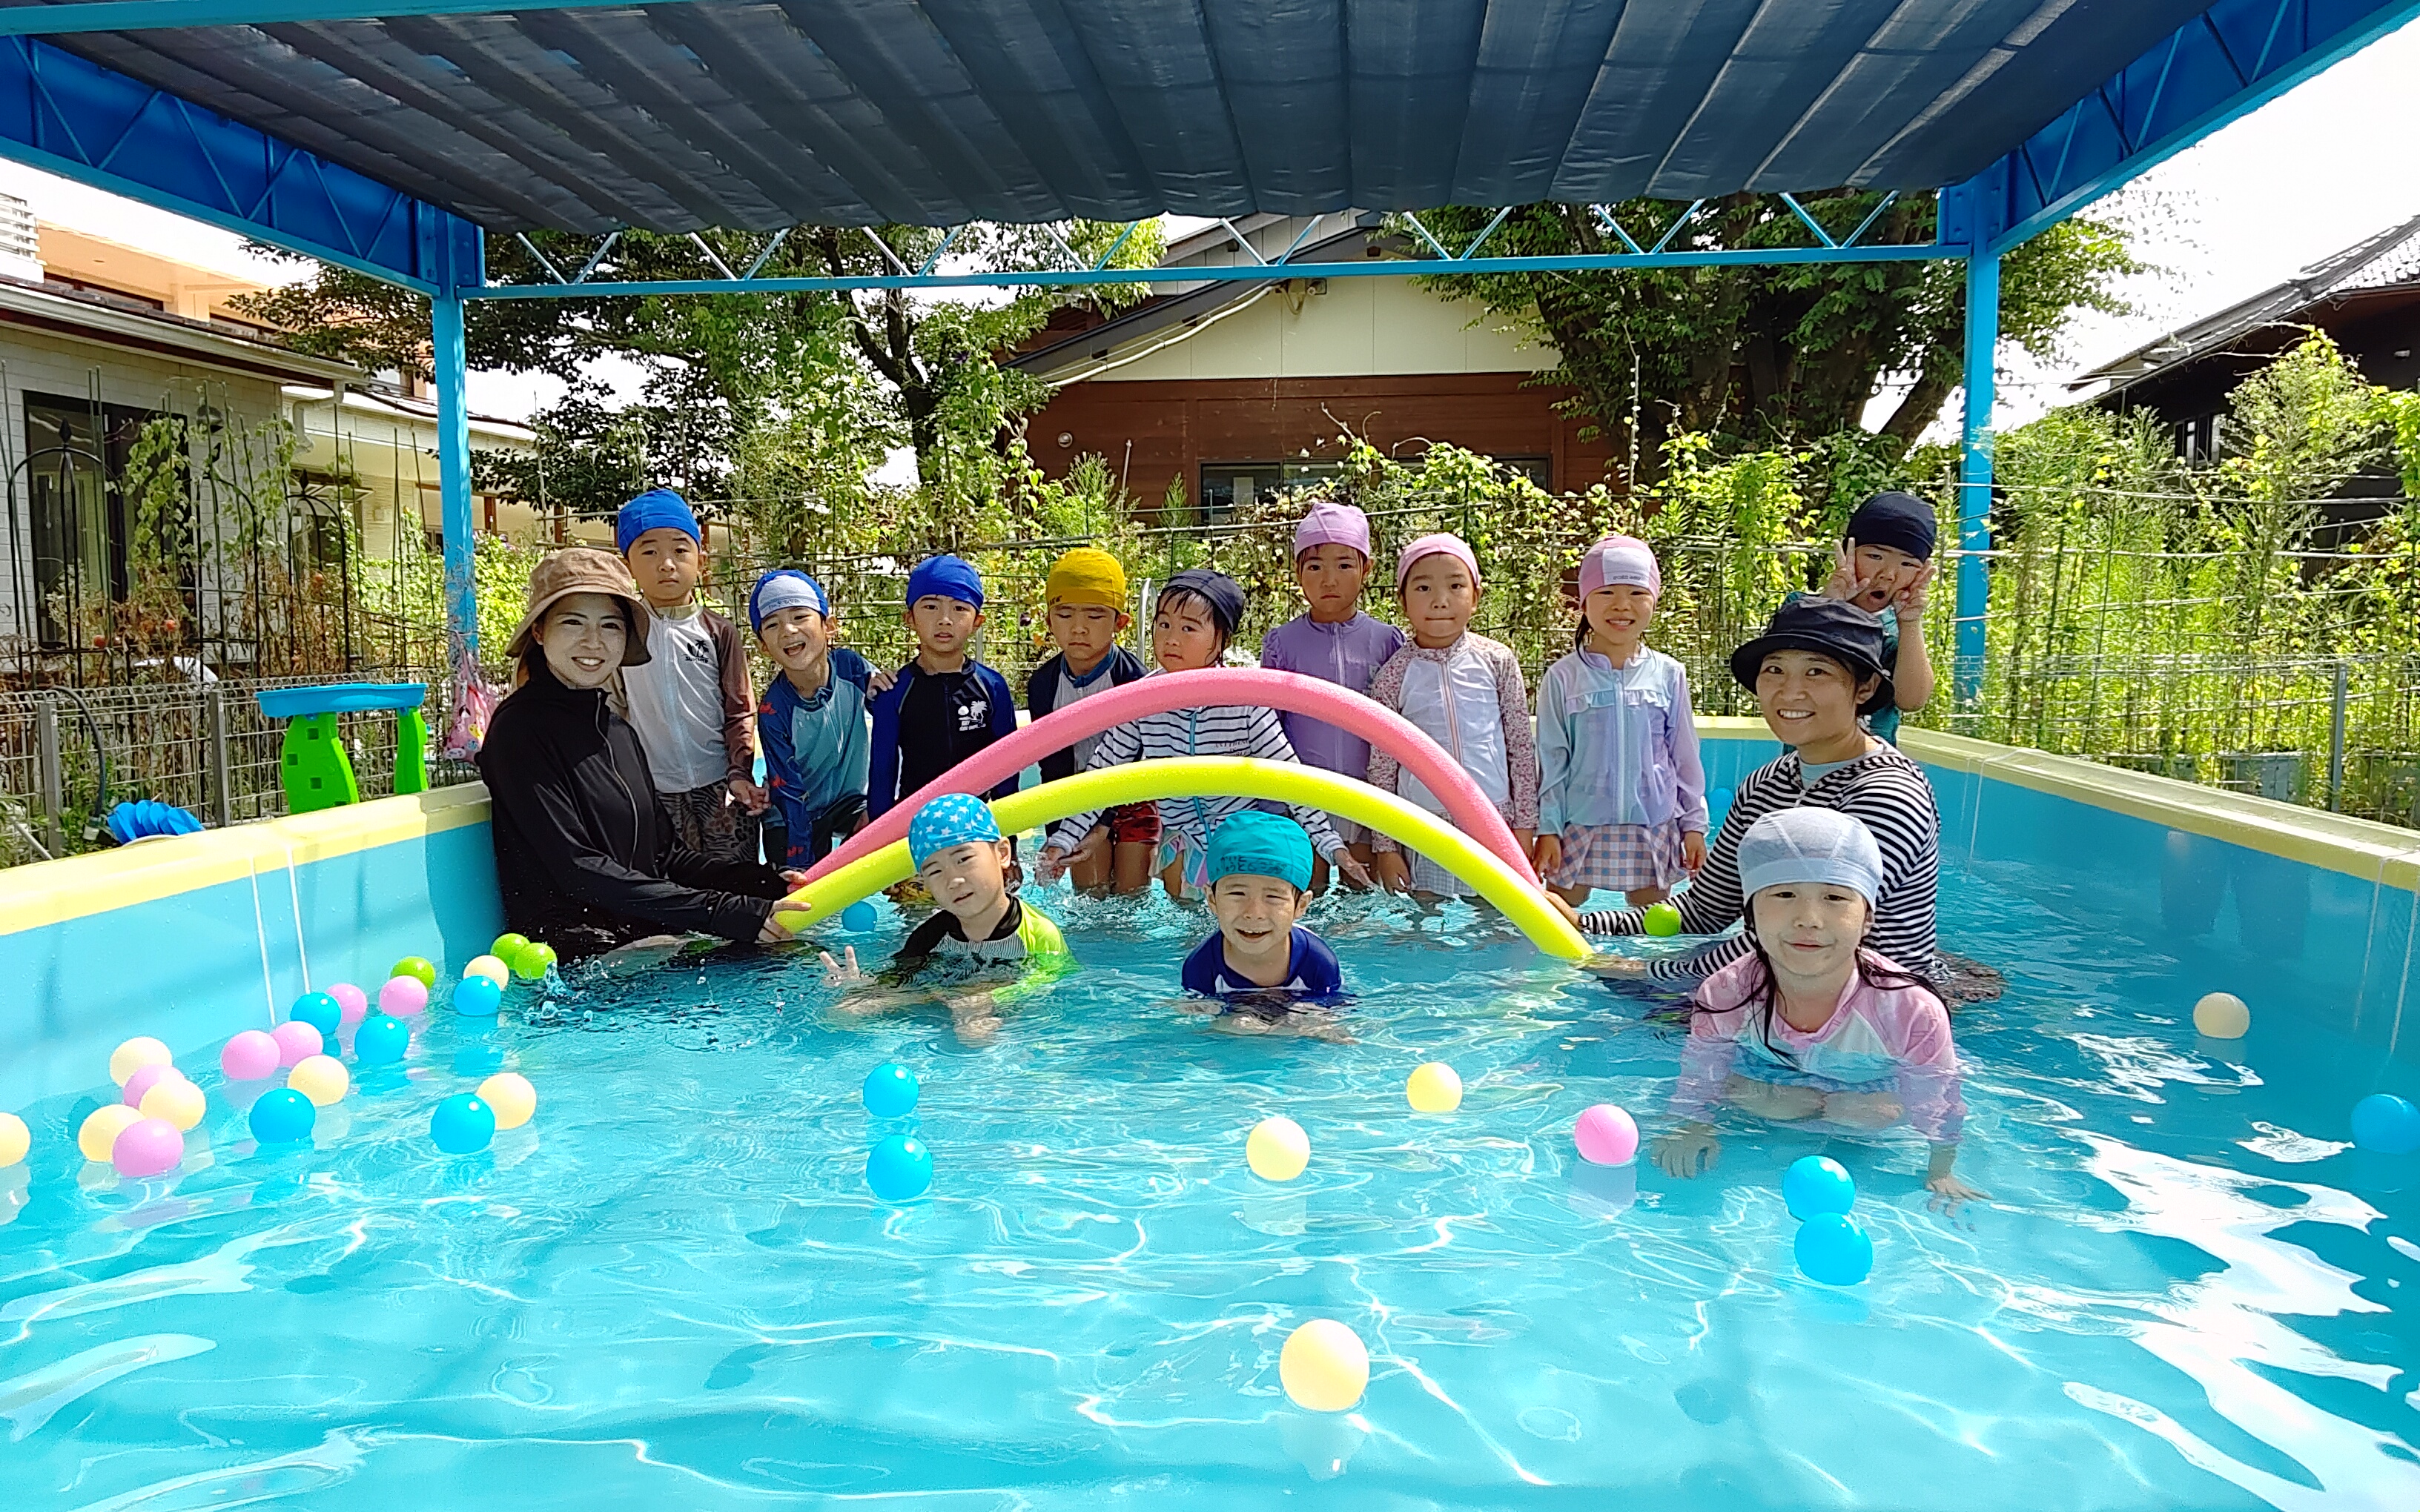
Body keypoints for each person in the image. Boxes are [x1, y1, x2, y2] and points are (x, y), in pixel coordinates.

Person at [1557, 597, 1970, 994]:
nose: (1789, 692)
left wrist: (1649, 972)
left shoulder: (1888, 796)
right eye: (1775, 670)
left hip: (1875, 1003)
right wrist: (1585, 922)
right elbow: (1705, 910)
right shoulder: (1766, 785)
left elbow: (1804, 933)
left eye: (1817, 672)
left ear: (1865, 688)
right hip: (1782, 987)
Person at [1652, 808, 1981, 1209]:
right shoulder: (1728, 992)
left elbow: (1937, 1092)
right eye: (1784, 895)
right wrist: (1692, 1124)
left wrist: (1941, 1170)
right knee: (1774, 1103)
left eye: (1835, 898)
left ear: (1867, 919)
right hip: (1770, 1078)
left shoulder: (1908, 1009)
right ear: (1749, 914)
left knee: (1866, 1114)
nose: (1809, 920)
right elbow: (1702, 1066)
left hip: (1868, 1090)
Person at [477, 548, 796, 958]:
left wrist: (763, 884)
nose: (594, 641)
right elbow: (577, 870)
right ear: (539, 632)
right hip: (578, 960)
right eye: (573, 622)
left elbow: (667, 857)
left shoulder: (618, 731)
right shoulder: (519, 730)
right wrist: (722, 912)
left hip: (641, 939)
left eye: (610, 625)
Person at [1036, 567, 1370, 898]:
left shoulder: (1244, 702)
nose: (1171, 639)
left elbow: (1292, 779)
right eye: (1164, 624)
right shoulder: (1143, 699)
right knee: (1182, 888)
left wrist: (1332, 846)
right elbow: (1101, 774)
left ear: (1221, 639)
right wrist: (1063, 840)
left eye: (1189, 628)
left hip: (1238, 841)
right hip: (1182, 844)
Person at [1533, 536, 1707, 908]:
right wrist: (1548, 827)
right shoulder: (1563, 677)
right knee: (1558, 915)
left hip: (1652, 823)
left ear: (1655, 600)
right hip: (1579, 823)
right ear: (1584, 601)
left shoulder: (1668, 674)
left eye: (1637, 593)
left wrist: (1693, 825)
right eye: (1607, 592)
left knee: (1649, 922)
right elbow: (1551, 760)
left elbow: (1684, 757)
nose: (1622, 605)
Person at [1364, 533, 1538, 898]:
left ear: (1476, 597)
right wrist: (1386, 846)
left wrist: (1525, 826)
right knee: (1426, 916)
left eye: (1456, 586)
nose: (1440, 600)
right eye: (1423, 588)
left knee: (1497, 910)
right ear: (1402, 601)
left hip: (1493, 820)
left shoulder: (1497, 661)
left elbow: (1521, 748)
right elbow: (1382, 767)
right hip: (1425, 824)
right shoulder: (1395, 674)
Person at [820, 794, 1072, 1044]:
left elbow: (1053, 978)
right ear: (925, 883)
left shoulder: (1038, 933)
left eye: (964, 859)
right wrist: (863, 988)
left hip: (1017, 1024)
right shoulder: (930, 936)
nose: (953, 880)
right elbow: (901, 981)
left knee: (975, 1036)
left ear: (1003, 854)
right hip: (943, 1008)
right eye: (936, 871)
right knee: (843, 1015)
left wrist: (993, 998)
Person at [1260, 500, 1406, 892]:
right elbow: (1268, 726)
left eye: (1344, 565)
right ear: (1297, 573)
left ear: (1366, 569)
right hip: (1303, 794)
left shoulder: (1386, 641)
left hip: (1367, 794)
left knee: (1364, 895)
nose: (1329, 580)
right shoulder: (1282, 643)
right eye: (1315, 567)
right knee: (1308, 891)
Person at [614, 488, 763, 863]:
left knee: (736, 879)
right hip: (655, 788)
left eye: (680, 550)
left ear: (701, 561)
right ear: (627, 565)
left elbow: (740, 709)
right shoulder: (623, 633)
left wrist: (739, 772)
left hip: (722, 786)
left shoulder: (718, 631)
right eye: (649, 552)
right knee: (675, 879)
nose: (667, 564)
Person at [1026, 547, 1152, 892]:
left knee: (1131, 894)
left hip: (1133, 795)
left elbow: (1136, 760)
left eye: (1095, 616)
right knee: (1090, 894)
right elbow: (1051, 766)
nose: (1079, 628)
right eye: (1065, 614)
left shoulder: (1133, 679)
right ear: (1049, 621)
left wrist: (1102, 823)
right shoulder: (1043, 685)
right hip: (1077, 795)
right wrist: (1057, 836)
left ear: (1120, 623)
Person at [867, 553, 1019, 818]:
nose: (945, 619)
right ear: (910, 619)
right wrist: (879, 837)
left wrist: (1010, 833)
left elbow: (1007, 766)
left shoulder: (992, 686)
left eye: (959, 608)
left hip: (976, 819)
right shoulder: (894, 692)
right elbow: (882, 772)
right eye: (931, 607)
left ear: (977, 622)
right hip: (917, 820)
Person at [1791, 491, 1938, 745]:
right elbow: (1787, 673)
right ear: (1847, 552)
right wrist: (1830, 605)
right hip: (1805, 761)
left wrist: (1911, 623)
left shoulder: (1898, 634)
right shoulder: (1800, 608)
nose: (1889, 574)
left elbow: (1912, 701)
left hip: (1874, 765)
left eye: (1907, 564)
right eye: (1875, 556)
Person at [751, 568, 873, 867]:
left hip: (848, 802)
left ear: (829, 626)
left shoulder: (852, 669)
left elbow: (895, 715)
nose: (788, 630)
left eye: (800, 616)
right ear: (764, 646)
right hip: (792, 814)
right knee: (795, 883)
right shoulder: (774, 711)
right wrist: (801, 866)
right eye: (772, 624)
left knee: (885, 822)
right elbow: (789, 793)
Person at [1180, 812, 1345, 999]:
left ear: (1301, 905)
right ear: (1212, 900)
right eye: (1237, 894)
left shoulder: (1318, 962)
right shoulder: (1201, 968)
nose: (1254, 913)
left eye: (1273, 896)